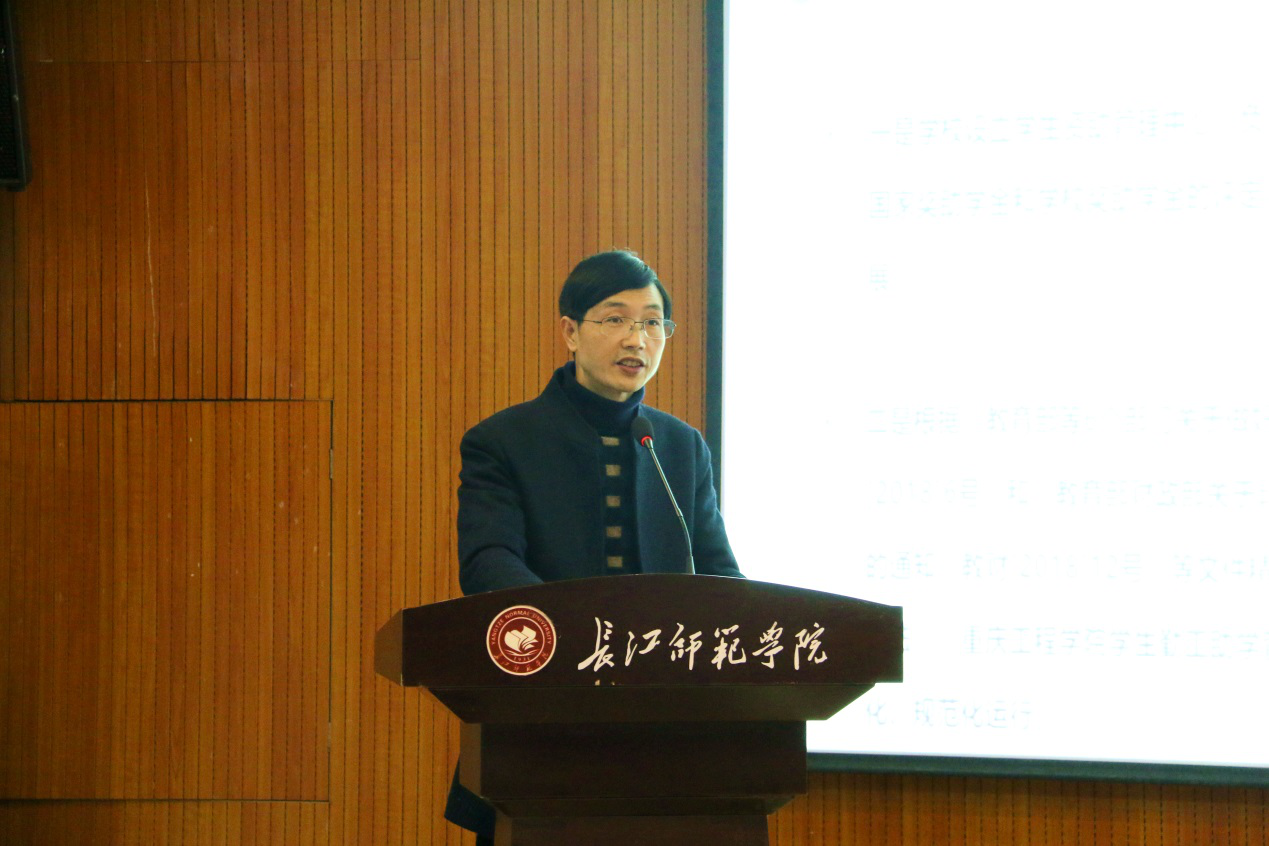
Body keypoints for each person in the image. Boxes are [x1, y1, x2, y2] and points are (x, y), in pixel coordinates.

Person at [444, 249, 744, 842]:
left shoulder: (680, 446)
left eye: (652, 322)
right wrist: (575, 641)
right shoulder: (503, 441)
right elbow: (488, 563)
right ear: (570, 332)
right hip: (541, 727)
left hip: (669, 743)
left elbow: (720, 576)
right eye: (615, 318)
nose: (637, 338)